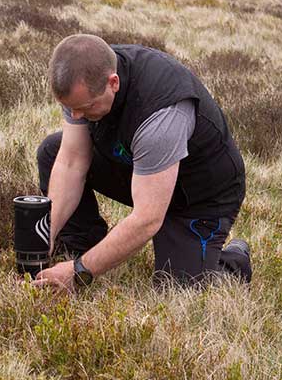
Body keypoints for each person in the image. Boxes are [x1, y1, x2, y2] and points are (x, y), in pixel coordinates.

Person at [33, 34, 251, 292]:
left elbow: (147, 219)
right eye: (71, 108)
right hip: (142, 168)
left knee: (177, 290)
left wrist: (79, 272)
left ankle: (234, 261)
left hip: (199, 195)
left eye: (85, 107)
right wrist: (46, 236)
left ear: (113, 82)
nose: (76, 116)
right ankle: (80, 245)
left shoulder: (160, 115)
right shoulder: (86, 74)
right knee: (52, 150)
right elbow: (71, 162)